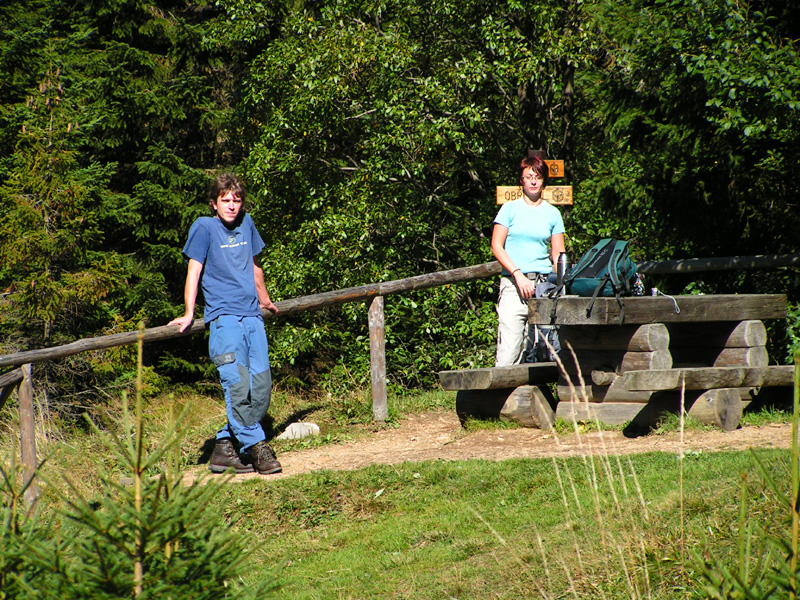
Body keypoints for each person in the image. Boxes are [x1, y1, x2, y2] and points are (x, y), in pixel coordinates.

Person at [169, 173, 282, 475]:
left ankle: (222, 447)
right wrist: (189, 311)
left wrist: (266, 299)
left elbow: (255, 267)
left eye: (237, 200)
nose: (232, 205)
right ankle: (258, 448)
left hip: (253, 319)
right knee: (237, 386)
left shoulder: (247, 224)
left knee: (260, 390)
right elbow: (194, 271)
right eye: (226, 200)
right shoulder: (204, 227)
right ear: (214, 203)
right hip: (224, 321)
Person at [491, 155, 565, 366]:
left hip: (543, 287)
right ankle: (501, 398)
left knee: (541, 349)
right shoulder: (509, 209)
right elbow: (496, 245)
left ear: (544, 181)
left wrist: (559, 285)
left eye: (538, 177)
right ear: (521, 180)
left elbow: (558, 254)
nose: (533, 181)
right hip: (514, 285)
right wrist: (517, 274)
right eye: (529, 177)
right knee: (509, 350)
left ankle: (535, 398)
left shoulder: (553, 213)